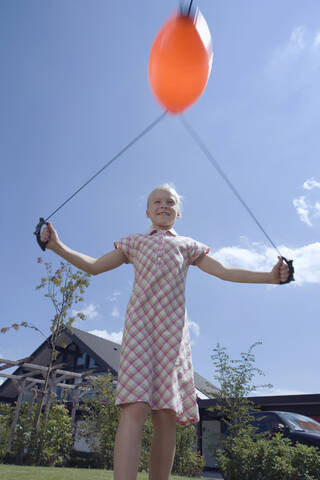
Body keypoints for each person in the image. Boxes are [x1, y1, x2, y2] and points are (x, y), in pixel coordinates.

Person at [40, 183, 289, 480]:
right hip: (139, 330)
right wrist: (56, 246)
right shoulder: (134, 242)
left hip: (173, 335)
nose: (163, 206)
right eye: (157, 202)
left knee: (166, 414)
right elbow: (94, 266)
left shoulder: (187, 245)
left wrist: (270, 277)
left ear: (178, 212)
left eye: (170, 202)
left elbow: (224, 271)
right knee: (135, 405)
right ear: (147, 211)